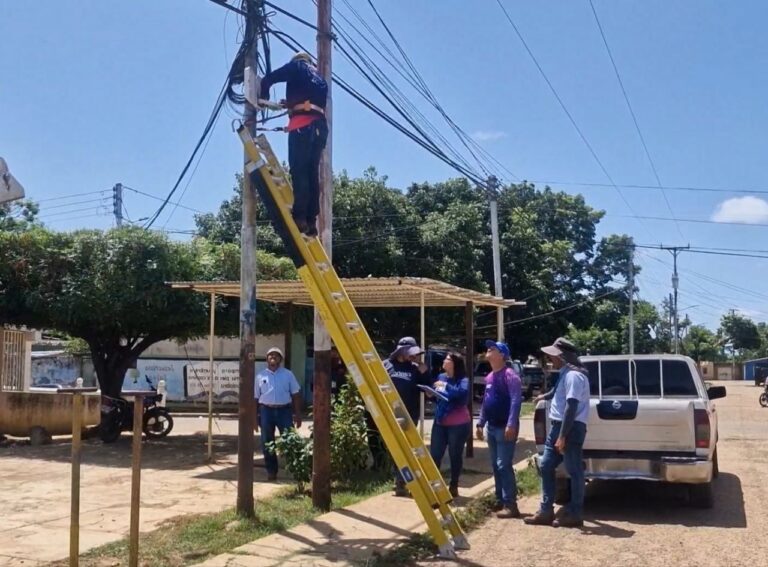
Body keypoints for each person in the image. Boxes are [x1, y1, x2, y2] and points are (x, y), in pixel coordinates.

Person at [259, 52, 328, 237]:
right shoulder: (319, 78)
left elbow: (270, 78)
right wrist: (289, 104)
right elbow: (309, 101)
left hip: (302, 126)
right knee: (311, 172)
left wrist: (262, 96)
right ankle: (311, 221)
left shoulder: (297, 67)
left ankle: (299, 218)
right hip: (320, 127)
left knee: (299, 171)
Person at [525, 337, 590, 528]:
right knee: (546, 465)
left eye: (553, 355)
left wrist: (562, 436)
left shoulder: (574, 376)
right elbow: (557, 391)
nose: (550, 359)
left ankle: (575, 513)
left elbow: (571, 406)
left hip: (569, 428)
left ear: (562, 356)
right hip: (557, 427)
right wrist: (544, 396)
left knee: (574, 471)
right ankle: (546, 511)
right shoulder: (565, 374)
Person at [371, 336, 430, 496]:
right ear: (400, 351)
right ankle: (399, 477)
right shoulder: (385, 365)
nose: (413, 356)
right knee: (394, 447)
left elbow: (428, 390)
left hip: (410, 413)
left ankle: (402, 481)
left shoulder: (416, 368)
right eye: (410, 353)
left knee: (407, 448)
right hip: (389, 414)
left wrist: (424, 373)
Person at [476, 340, 522, 519]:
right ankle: (499, 500)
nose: (488, 349)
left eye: (493, 348)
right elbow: (486, 404)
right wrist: (480, 423)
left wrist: (511, 424)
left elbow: (516, 401)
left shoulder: (510, 376)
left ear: (502, 355)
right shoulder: (489, 377)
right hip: (492, 426)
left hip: (505, 427)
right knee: (496, 466)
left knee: (504, 465)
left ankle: (511, 504)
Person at [254, 346, 303, 481]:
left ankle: (296, 469)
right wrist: (254, 418)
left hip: (284, 411)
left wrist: (298, 414)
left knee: (289, 440)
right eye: (270, 355)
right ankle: (271, 471)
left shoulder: (288, 374)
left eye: (276, 355)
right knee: (267, 442)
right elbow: (255, 398)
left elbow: (296, 394)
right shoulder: (260, 376)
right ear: (266, 359)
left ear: (280, 359)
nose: (273, 357)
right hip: (266, 411)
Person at [428, 351, 471, 498]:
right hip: (440, 421)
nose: (444, 361)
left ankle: (454, 485)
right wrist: (431, 393)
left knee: (454, 455)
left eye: (447, 359)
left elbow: (460, 395)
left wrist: (445, 386)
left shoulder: (463, 380)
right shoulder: (441, 377)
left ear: (454, 363)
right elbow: (441, 397)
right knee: (435, 454)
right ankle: (435, 486)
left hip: (458, 424)